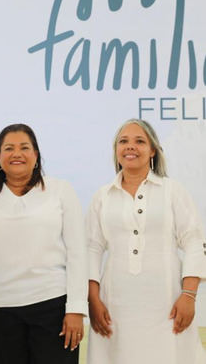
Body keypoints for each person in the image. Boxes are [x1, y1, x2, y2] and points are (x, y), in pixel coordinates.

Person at [0, 123, 88, 364]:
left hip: (52, 305)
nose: (17, 154)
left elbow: (77, 253)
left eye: (24, 147)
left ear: (36, 155)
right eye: (8, 148)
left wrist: (75, 308)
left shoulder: (60, 190)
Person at [87, 119, 206, 363]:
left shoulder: (172, 191)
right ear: (116, 150)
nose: (130, 146)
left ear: (152, 150)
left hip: (168, 305)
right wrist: (93, 300)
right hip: (115, 307)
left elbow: (194, 241)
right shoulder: (102, 196)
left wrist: (189, 295)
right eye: (123, 141)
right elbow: (91, 248)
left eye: (139, 141)